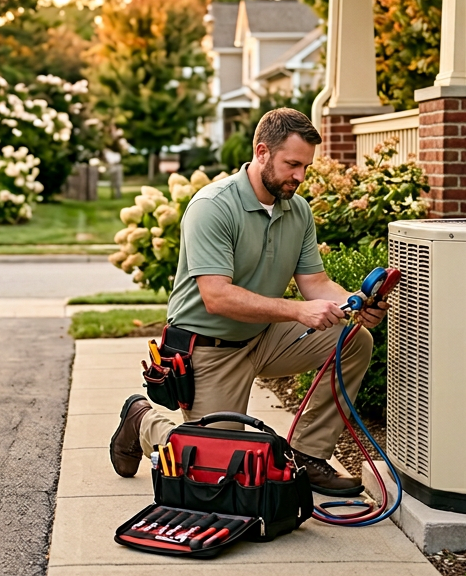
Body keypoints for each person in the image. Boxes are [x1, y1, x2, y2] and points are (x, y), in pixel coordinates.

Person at [108, 108, 387, 496]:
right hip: (209, 349)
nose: (300, 176)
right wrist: (298, 310)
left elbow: (316, 283)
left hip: (264, 337)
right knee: (214, 471)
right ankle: (141, 420)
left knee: (353, 340)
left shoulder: (298, 210)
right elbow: (217, 297)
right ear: (261, 152)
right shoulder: (213, 206)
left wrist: (354, 303)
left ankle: (307, 455)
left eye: (306, 167)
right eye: (292, 165)